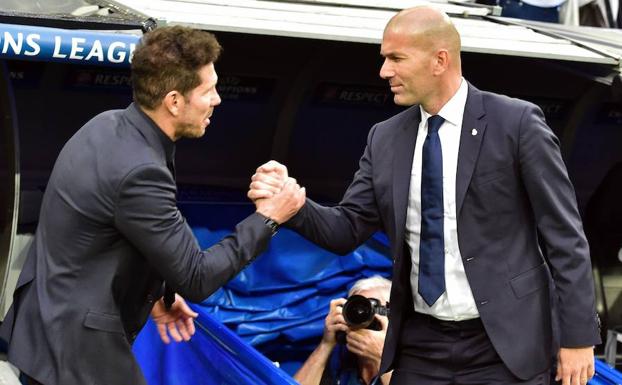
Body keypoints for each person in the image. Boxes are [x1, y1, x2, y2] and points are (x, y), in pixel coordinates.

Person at [249, 6, 600, 385]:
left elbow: (565, 238)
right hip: (421, 345)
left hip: (506, 344)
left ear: (440, 60)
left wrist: (578, 338)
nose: (384, 71)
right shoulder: (384, 138)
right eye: (384, 58)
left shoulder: (517, 124)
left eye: (396, 58)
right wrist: (295, 205)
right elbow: (346, 229)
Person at [0, 26, 305, 385]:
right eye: (208, 91)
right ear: (174, 101)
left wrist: (157, 291)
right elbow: (197, 277)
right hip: (77, 356)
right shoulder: (141, 170)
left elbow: (104, 236)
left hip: (45, 334)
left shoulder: (106, 125)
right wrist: (268, 218)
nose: (218, 100)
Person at [294, 276, 393, 385]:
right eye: (356, 308)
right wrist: (326, 344)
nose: (361, 315)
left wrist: (382, 357)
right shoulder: (341, 357)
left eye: (372, 308)